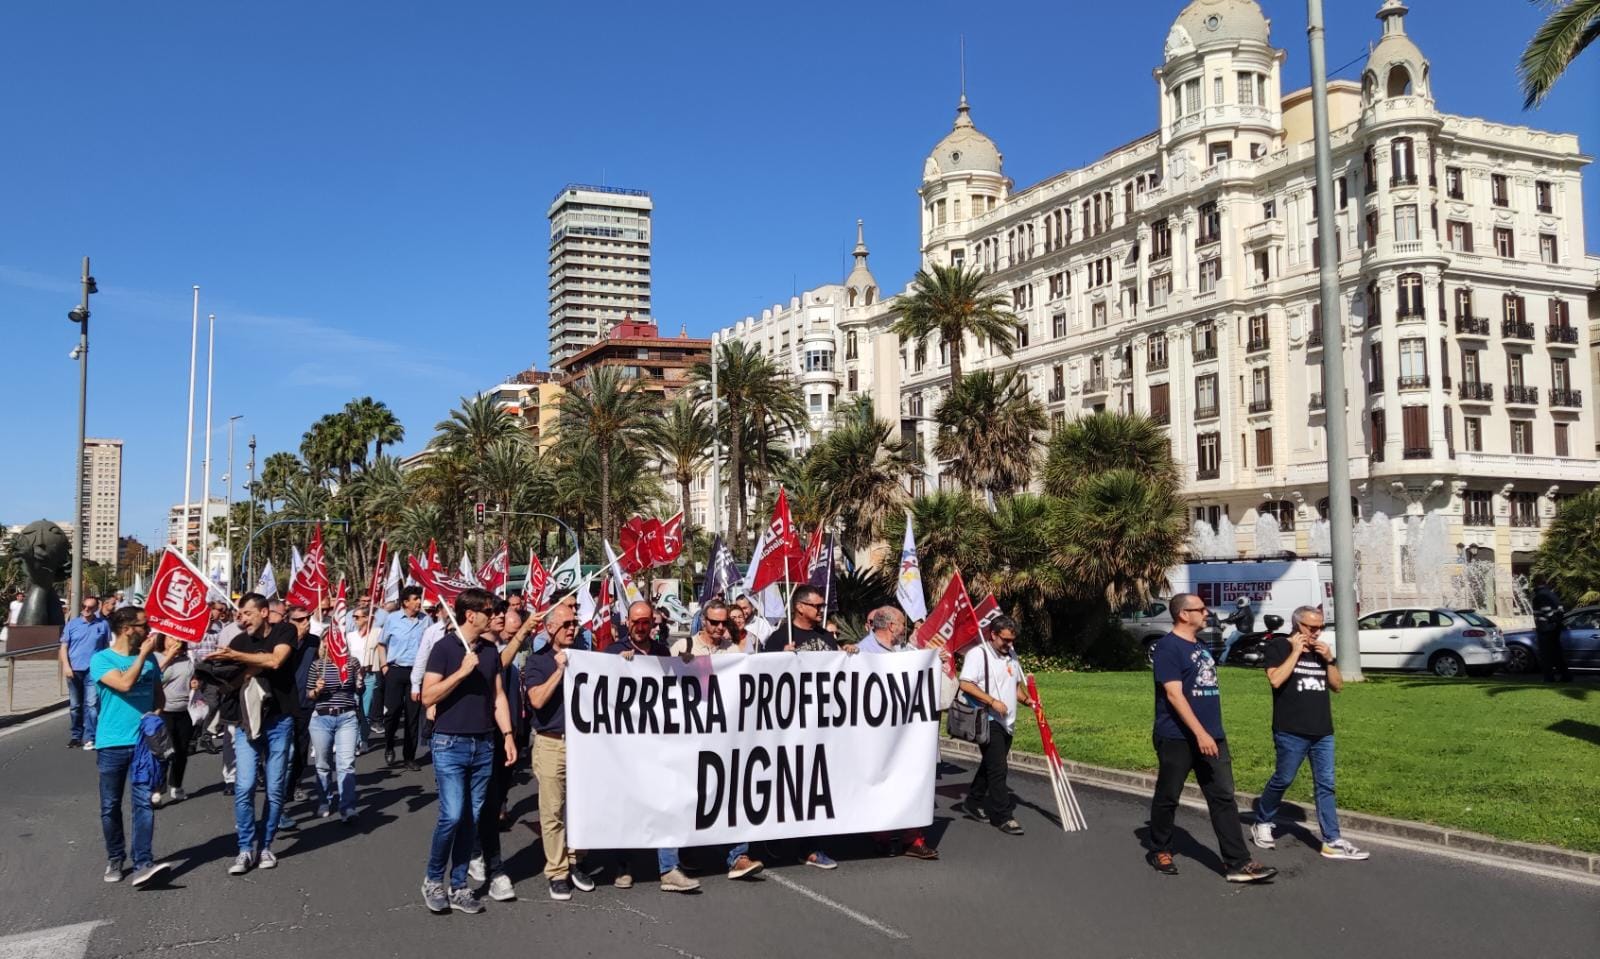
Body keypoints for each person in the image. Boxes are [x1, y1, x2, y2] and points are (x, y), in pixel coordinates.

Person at [1146, 593, 1277, 883]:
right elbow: (1174, 694)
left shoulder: (1201, 645)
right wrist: (1199, 732)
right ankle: (1160, 848)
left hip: (1212, 735)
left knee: (1222, 797)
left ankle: (1238, 863)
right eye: (1200, 609)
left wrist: (1211, 732)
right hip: (1177, 736)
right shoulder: (1168, 648)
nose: (1207, 613)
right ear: (1183, 614)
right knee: (1169, 795)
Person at [419, 588, 518, 915]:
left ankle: (459, 885)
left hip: (484, 744)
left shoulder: (490, 651)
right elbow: (427, 696)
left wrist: (507, 734)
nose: (495, 616)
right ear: (470, 614)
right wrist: (461, 672)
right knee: (452, 815)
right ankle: (433, 880)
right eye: (489, 611)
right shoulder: (444, 649)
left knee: (473, 818)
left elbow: (499, 696)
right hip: (449, 743)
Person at [1250, 606, 1369, 861]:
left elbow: (1337, 686)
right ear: (1297, 625)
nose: (1316, 633)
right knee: (1284, 778)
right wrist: (1295, 651)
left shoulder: (1320, 652)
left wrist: (1330, 660)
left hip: (1322, 731)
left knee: (1326, 785)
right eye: (1311, 628)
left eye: (1320, 628)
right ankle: (1262, 820)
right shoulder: (1279, 647)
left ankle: (1332, 839)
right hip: (1290, 729)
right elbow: (1275, 680)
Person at [662, 600, 766, 879]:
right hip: (689, 738)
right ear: (703, 621)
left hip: (724, 737)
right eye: (714, 622)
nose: (720, 628)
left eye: (724, 623)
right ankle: (679, 857)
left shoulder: (733, 652)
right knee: (685, 797)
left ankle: (738, 855)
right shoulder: (683, 648)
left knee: (734, 791)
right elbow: (663, 685)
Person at [610, 600, 701, 891]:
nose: (640, 627)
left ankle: (669, 868)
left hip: (659, 744)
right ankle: (623, 865)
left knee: (668, 803)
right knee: (628, 804)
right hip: (626, 746)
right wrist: (616, 667)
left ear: (653, 623)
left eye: (645, 622)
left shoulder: (662, 652)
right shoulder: (612, 653)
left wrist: (685, 666)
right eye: (635, 622)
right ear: (627, 622)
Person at [208, 592, 297, 876]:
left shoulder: (285, 630)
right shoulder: (237, 641)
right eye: (240, 614)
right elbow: (230, 682)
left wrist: (241, 660)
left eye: (247, 613)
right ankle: (245, 848)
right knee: (244, 786)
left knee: (274, 787)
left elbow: (276, 661)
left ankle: (266, 845)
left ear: (263, 612)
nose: (242, 618)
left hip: (279, 721)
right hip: (247, 723)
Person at [759, 586, 847, 869]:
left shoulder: (826, 638)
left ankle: (811, 847)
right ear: (800, 607)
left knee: (816, 787)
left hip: (821, 727)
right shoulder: (778, 638)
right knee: (785, 785)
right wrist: (779, 659)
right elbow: (762, 679)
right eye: (817, 605)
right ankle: (772, 838)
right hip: (788, 728)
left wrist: (849, 654)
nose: (822, 610)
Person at [90, 606, 173, 886]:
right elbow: (124, 684)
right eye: (143, 625)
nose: (148, 630)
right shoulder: (101, 660)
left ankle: (143, 863)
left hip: (142, 746)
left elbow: (159, 698)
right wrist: (142, 656)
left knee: (143, 804)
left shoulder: (150, 663)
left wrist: (156, 716)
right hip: (112, 743)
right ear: (127, 629)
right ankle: (115, 857)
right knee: (110, 806)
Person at [523, 604, 599, 901]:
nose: (572, 628)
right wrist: (559, 670)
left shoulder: (587, 658)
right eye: (566, 623)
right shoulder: (537, 661)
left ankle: (575, 860)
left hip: (583, 745)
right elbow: (537, 701)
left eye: (575, 624)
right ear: (550, 627)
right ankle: (557, 871)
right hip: (552, 742)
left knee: (582, 807)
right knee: (552, 811)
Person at [860, 606, 941, 860]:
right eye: (903, 624)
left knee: (912, 781)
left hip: (907, 733)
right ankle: (881, 837)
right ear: (891, 626)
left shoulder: (906, 652)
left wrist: (938, 660)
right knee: (882, 783)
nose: (905, 629)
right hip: (877, 734)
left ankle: (913, 839)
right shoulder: (863, 650)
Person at [957, 614, 1030, 838]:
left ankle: (973, 800)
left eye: (1012, 640)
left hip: (1007, 720)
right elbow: (965, 683)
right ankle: (1003, 816)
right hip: (987, 718)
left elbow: (1015, 685)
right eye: (1005, 640)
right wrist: (991, 701)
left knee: (991, 764)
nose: (1009, 644)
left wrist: (1028, 700)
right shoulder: (977, 655)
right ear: (993, 635)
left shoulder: (1011, 655)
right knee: (999, 768)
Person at [306, 636, 362, 823]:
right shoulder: (317, 665)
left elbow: (357, 689)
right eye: (330, 640)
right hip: (322, 718)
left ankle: (347, 807)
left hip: (347, 717)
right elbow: (309, 694)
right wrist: (317, 690)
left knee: (346, 764)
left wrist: (360, 685)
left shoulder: (352, 663)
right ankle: (324, 800)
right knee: (323, 764)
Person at [375, 586, 427, 769]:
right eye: (415, 599)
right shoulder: (392, 619)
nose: (419, 602)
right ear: (405, 602)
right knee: (393, 712)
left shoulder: (425, 620)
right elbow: (381, 644)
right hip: (395, 671)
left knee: (413, 715)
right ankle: (389, 745)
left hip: (416, 672)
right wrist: (384, 666)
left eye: (419, 598)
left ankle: (409, 756)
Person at [151, 635, 196, 807]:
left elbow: (191, 676)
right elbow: (154, 678)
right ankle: (157, 789)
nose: (175, 641)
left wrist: (194, 682)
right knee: (163, 753)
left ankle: (176, 785)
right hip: (163, 710)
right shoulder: (156, 657)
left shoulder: (187, 658)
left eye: (178, 638)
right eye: (171, 637)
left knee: (181, 752)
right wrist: (169, 657)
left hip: (184, 710)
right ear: (163, 639)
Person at [60, 595, 109, 748]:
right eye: (84, 607)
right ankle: (76, 735)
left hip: (93, 670)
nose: (86, 610)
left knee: (92, 704)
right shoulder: (72, 624)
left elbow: (106, 647)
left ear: (96, 608)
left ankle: (91, 736)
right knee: (75, 705)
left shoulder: (103, 625)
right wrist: (66, 666)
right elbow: (63, 647)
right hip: (74, 669)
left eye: (90, 607)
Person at [284, 605, 320, 811]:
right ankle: (280, 787)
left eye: (307, 619)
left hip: (305, 702)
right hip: (284, 703)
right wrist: (294, 639)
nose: (305, 623)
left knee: (300, 747)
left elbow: (320, 662)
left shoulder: (314, 641)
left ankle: (295, 783)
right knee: (283, 750)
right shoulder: (282, 641)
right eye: (299, 620)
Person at [349, 604, 384, 754]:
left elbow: (382, 646)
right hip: (353, 676)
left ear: (367, 618)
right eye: (354, 617)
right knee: (355, 709)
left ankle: (363, 740)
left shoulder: (377, 633)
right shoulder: (350, 636)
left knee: (365, 710)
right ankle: (354, 741)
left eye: (358, 617)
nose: (355, 620)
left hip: (369, 675)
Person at [1530, 579, 1570, 683]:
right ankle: (1565, 675)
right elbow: (1561, 609)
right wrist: (1558, 622)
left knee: (1546, 654)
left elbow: (1546, 610)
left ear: (1536, 585)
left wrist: (1551, 621)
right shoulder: (1553, 594)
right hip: (1554, 628)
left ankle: (1548, 677)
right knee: (1557, 652)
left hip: (1545, 628)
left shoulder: (1540, 595)